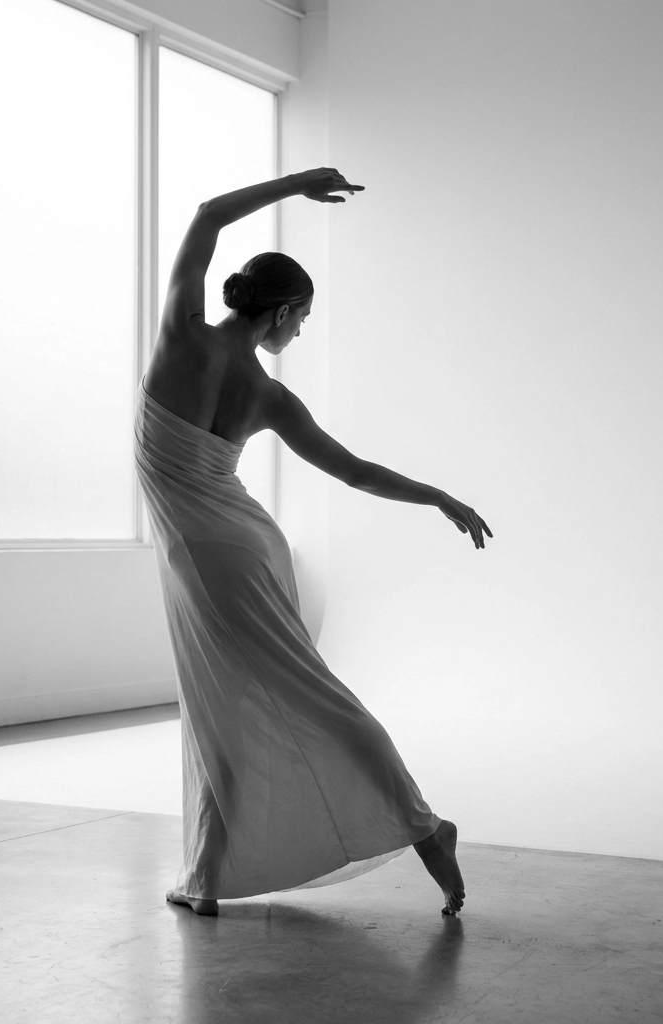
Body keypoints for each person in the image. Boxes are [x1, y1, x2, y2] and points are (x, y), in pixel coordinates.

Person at [135, 167, 492, 917]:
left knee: (278, 697)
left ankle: (425, 826)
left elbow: (206, 216)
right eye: (303, 318)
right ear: (282, 311)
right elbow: (356, 472)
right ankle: (205, 874)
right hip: (228, 546)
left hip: (206, 553)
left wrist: (298, 184)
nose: (301, 331)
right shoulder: (266, 394)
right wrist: (436, 496)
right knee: (228, 703)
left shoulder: (180, 335)